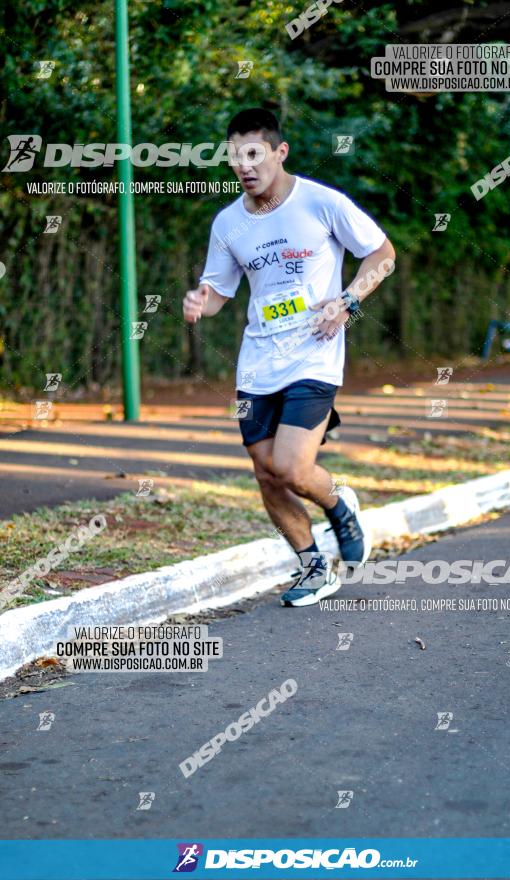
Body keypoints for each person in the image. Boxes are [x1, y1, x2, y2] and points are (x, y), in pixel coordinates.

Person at [183, 108, 395, 607]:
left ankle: (340, 507)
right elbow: (219, 291)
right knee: (264, 471)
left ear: (280, 152)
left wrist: (348, 301)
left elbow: (382, 254)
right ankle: (312, 566)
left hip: (314, 355)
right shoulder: (228, 223)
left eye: (254, 154)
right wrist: (201, 301)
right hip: (258, 361)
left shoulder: (321, 203)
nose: (244, 165)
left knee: (293, 468)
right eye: (235, 157)